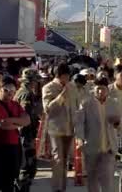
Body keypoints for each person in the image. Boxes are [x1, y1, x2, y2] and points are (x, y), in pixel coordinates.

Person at [0, 76, 31, 192]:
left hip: (13, 146)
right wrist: (17, 123)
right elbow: (2, 125)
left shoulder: (15, 104)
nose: (10, 93)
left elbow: (27, 120)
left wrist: (11, 121)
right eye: (6, 90)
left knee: (10, 180)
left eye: (12, 91)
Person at [75, 78, 120, 192]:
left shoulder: (113, 103)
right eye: (98, 89)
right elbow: (79, 123)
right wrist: (80, 139)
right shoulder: (85, 103)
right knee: (92, 179)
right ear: (93, 89)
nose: (100, 91)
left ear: (107, 90)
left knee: (107, 179)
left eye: (103, 89)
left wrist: (116, 122)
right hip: (91, 146)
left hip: (108, 147)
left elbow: (119, 123)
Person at [42, 63, 75, 192]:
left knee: (65, 160)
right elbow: (48, 109)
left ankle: (62, 187)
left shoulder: (71, 87)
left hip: (69, 128)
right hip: (55, 128)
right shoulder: (48, 87)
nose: (67, 79)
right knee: (58, 158)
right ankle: (57, 188)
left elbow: (75, 106)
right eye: (66, 76)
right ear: (59, 76)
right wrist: (61, 96)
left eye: (68, 76)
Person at [14, 69, 43, 192]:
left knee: (26, 167)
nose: (36, 83)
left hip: (23, 134)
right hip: (25, 135)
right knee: (27, 168)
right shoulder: (26, 94)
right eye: (35, 81)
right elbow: (25, 115)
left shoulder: (21, 92)